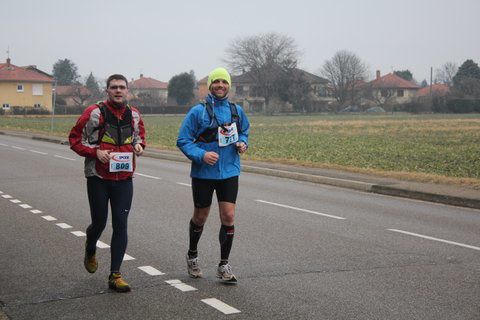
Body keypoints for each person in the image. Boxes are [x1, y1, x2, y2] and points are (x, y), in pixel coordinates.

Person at [69, 74, 146, 293]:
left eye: (122, 87)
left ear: (128, 91)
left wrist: (139, 148)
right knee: (99, 223)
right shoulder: (94, 113)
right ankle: (90, 245)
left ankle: (115, 275)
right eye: (114, 87)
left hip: (124, 179)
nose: (118, 91)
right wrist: (95, 152)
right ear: (107, 90)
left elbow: (140, 138)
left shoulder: (134, 115)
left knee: (121, 224)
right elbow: (74, 139)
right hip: (98, 178)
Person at [177, 67, 250, 284]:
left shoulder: (237, 111)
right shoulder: (197, 112)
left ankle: (223, 265)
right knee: (200, 217)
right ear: (210, 85)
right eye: (216, 82)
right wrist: (201, 155)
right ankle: (192, 255)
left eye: (224, 82)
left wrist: (243, 143)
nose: (220, 85)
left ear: (229, 86)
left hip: (229, 171)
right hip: (203, 173)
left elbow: (244, 131)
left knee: (228, 216)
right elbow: (183, 140)